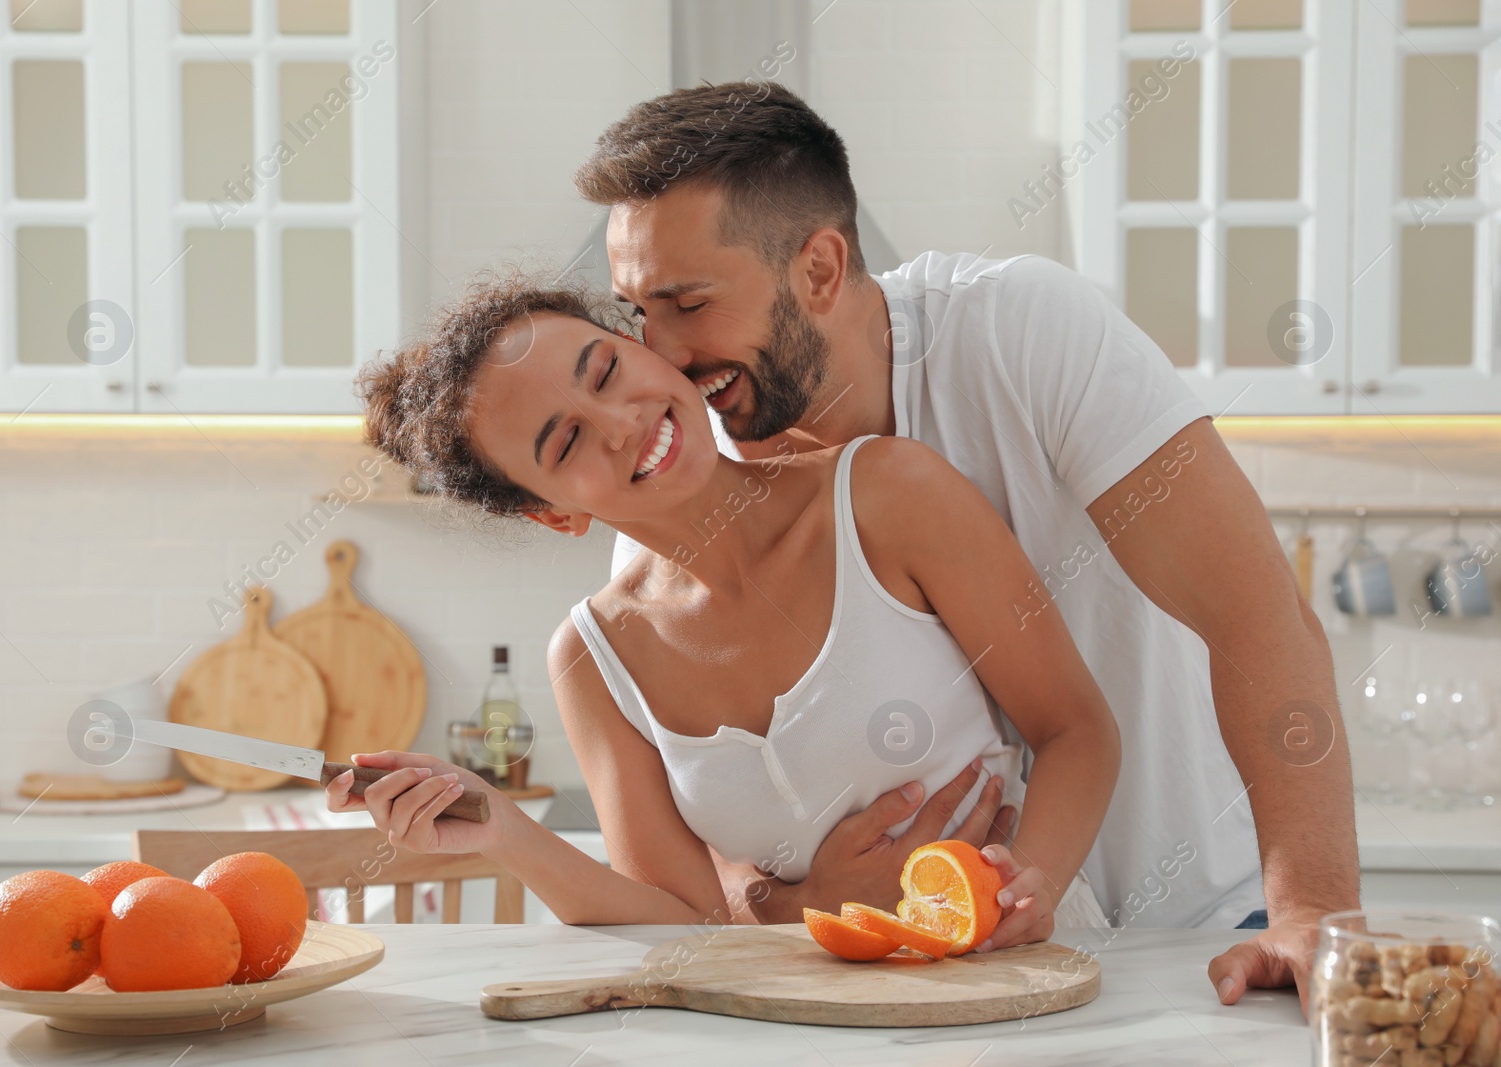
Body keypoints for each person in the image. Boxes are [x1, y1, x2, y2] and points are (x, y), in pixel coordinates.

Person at [574, 81, 1357, 1011]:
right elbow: (697, 846)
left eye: (687, 304)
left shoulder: (1022, 334)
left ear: (819, 269)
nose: (658, 354)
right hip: (931, 983)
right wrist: (786, 900)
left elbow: (1256, 614)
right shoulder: (681, 500)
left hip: (1196, 935)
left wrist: (1311, 909)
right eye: (636, 314)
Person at [334, 275, 1121, 947]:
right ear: (553, 514)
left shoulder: (886, 495)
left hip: (1018, 982)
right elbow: (678, 927)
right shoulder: (594, 658)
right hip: (797, 1030)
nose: (622, 422)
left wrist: (1032, 884)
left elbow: (1076, 729)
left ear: (644, 347)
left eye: (605, 370)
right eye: (566, 441)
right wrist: (503, 830)